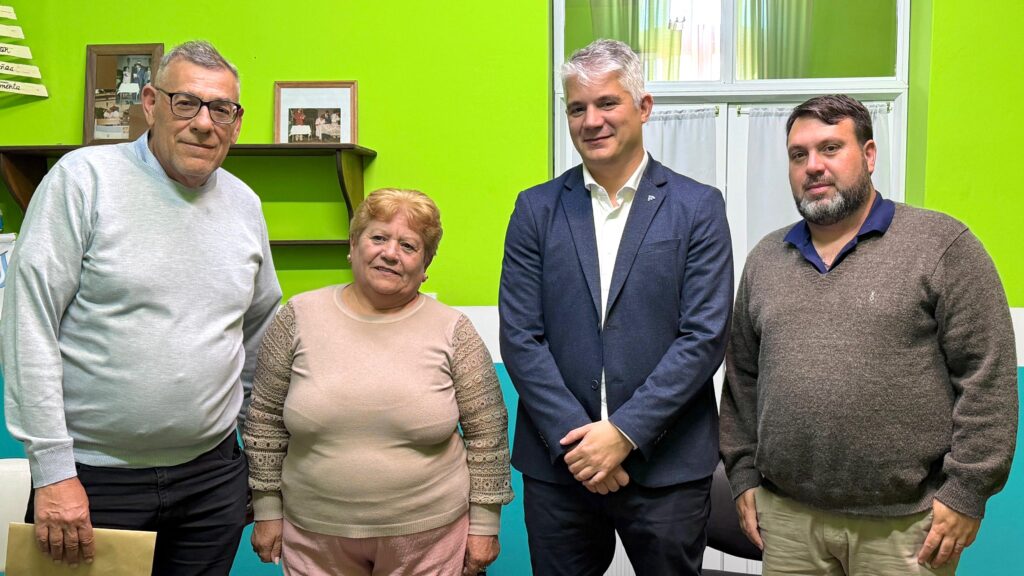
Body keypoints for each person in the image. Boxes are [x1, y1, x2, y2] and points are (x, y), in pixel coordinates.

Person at [1, 40, 282, 575]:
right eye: (186, 103)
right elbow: (28, 325)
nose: (205, 124)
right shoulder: (83, 180)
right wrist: (53, 472)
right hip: (92, 479)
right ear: (150, 103)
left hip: (212, 479)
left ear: (236, 122)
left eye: (221, 109)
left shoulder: (245, 205)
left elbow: (259, 338)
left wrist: (258, 467)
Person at [719, 94, 1017, 576]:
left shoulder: (942, 246)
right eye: (798, 154)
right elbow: (742, 382)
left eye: (830, 148)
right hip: (789, 521)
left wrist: (967, 492)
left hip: (906, 526)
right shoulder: (766, 259)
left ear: (869, 154)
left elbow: (987, 377)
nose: (813, 166)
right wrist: (742, 474)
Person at [499, 39, 733, 575]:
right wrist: (581, 445)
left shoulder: (697, 206)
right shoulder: (535, 209)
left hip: (668, 465)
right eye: (577, 108)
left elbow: (703, 336)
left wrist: (623, 433)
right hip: (560, 465)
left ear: (643, 107)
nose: (591, 121)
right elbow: (520, 335)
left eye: (607, 103)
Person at [244, 188, 513, 576]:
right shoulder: (297, 317)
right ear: (353, 246)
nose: (390, 253)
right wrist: (267, 509)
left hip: (430, 541)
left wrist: (485, 525)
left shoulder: (455, 330)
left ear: (425, 264)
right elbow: (264, 421)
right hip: (315, 538)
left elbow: (488, 435)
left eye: (409, 245)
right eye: (379, 237)